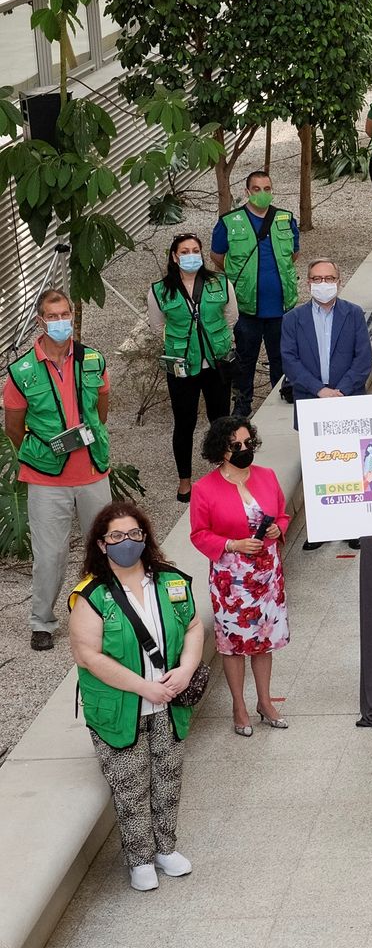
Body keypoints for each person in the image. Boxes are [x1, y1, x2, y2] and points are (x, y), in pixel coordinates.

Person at [67, 500, 204, 892]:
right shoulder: (90, 595)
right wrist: (144, 686)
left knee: (168, 776)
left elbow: (193, 626)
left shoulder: (171, 582)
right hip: (120, 706)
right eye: (116, 536)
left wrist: (188, 667)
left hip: (169, 701)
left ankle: (165, 848)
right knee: (129, 784)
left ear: (145, 538)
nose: (126, 542)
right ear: (101, 544)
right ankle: (139, 857)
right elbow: (87, 655)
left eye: (133, 534)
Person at [5, 290, 113, 651]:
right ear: (40, 321)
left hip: (93, 472)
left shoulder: (93, 359)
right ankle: (42, 622)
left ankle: (109, 613)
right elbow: (14, 428)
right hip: (47, 479)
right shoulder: (21, 371)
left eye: (65, 313)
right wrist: (42, 456)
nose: (61, 321)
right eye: (53, 316)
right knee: (50, 555)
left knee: (107, 547)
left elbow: (101, 407)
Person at [188, 416, 289, 737]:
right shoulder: (204, 489)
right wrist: (232, 544)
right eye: (236, 446)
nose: (245, 449)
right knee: (233, 645)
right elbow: (198, 534)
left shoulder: (267, 476)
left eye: (248, 443)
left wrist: (278, 529)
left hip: (267, 575)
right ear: (221, 449)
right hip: (230, 580)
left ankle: (264, 701)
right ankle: (238, 705)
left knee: (264, 640)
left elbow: (283, 515)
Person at [147, 233, 234, 503]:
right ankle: (185, 480)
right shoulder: (160, 290)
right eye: (184, 251)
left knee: (221, 419)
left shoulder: (220, 282)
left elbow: (231, 316)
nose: (191, 255)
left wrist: (215, 339)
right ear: (174, 256)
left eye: (195, 250)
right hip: (182, 364)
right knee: (184, 423)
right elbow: (157, 325)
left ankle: (226, 470)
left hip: (216, 361)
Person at [212, 170, 300, 414]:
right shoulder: (229, 222)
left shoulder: (285, 218)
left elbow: (294, 253)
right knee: (244, 359)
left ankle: (282, 395)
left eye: (267, 189)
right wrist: (241, 278)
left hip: (281, 306)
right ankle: (242, 403)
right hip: (245, 306)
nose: (263, 194)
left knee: (281, 357)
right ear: (247, 192)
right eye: (257, 189)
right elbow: (217, 256)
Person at [280, 258, 371, 406]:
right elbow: (290, 361)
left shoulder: (354, 314)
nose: (323, 283)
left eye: (329, 278)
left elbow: (363, 358)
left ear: (338, 282)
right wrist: (319, 389)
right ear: (308, 284)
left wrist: (341, 390)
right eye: (317, 279)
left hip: (350, 397)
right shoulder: (292, 319)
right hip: (309, 398)